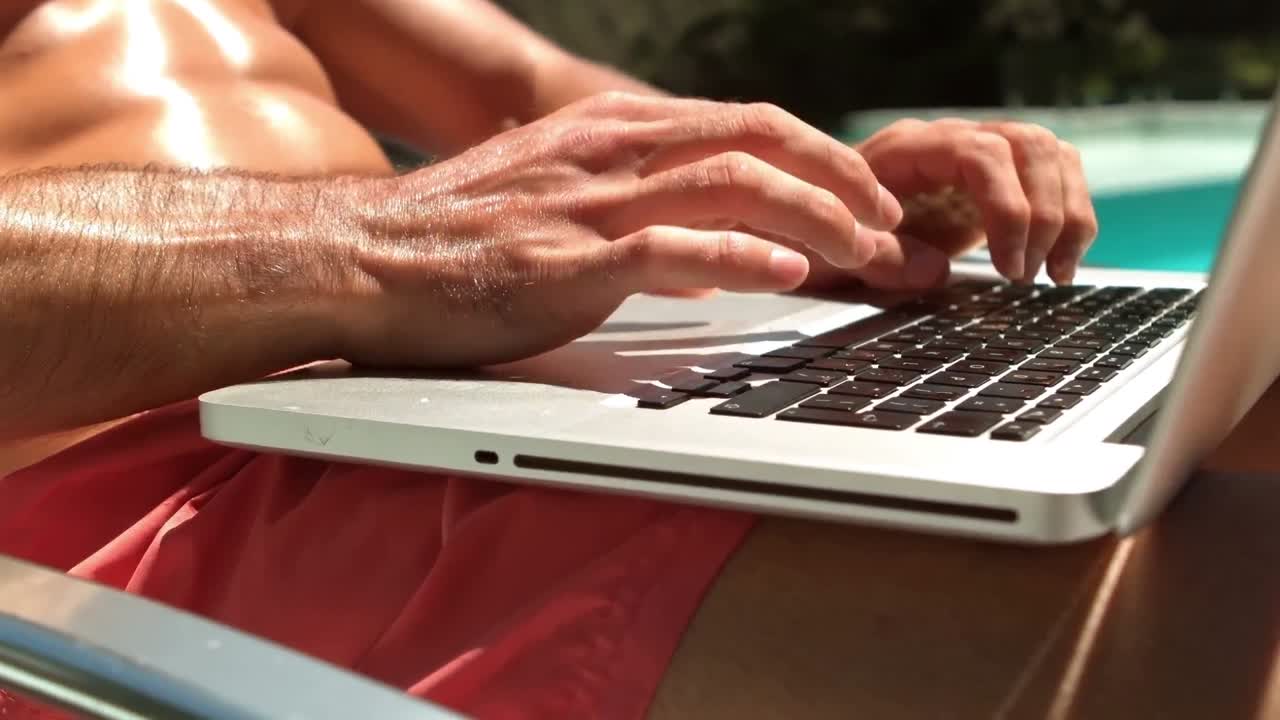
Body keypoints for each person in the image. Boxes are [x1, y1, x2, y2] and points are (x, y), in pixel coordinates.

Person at [0, 1, 1098, 717]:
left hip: (426, 407)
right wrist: (374, 246)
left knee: (1146, 452)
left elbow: (529, 88)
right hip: (134, 513)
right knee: (1109, 585)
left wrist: (814, 195)